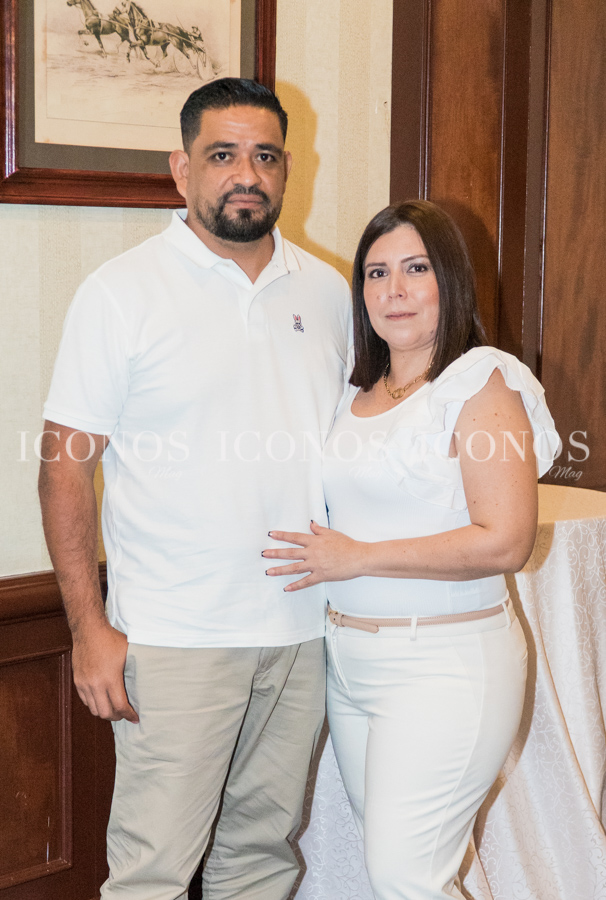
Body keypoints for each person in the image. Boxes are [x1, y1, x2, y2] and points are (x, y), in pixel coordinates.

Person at [38, 78, 351, 900]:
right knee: (153, 875)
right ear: (181, 169)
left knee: (262, 858)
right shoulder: (121, 292)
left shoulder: (328, 292)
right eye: (222, 155)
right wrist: (88, 627)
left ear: (288, 169)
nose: (246, 174)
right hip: (176, 636)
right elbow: (64, 464)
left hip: (302, 631)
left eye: (265, 156)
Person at [263, 200, 559, 900]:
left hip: (445, 664)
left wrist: (359, 556)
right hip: (351, 664)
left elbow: (506, 540)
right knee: (405, 876)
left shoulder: (479, 380)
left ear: (449, 280)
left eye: (416, 269)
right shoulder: (356, 394)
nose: (393, 290)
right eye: (377, 273)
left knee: (405, 877)